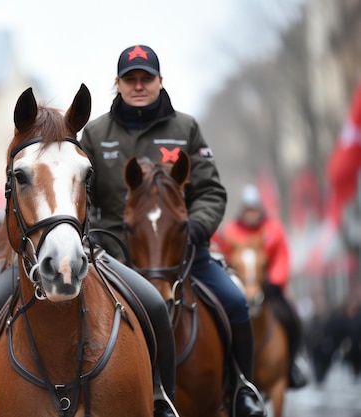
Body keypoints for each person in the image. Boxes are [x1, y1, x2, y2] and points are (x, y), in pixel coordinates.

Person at [79, 45, 266, 417]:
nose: (138, 86)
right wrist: (95, 235)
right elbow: (82, 196)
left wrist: (196, 227)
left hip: (181, 251)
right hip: (114, 258)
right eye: (129, 79)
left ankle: (244, 387)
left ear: (160, 81)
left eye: (146, 78)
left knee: (235, 300)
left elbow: (210, 190)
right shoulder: (96, 134)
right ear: (117, 84)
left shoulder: (186, 128)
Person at [0, 110, 178, 416]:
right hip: (36, 252)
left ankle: (164, 401)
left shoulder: (80, 151)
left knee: (155, 305)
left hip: (90, 247)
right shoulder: (82, 141)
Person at [213, 184, 308, 389]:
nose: (251, 214)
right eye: (247, 210)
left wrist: (275, 281)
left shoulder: (273, 229)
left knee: (291, 316)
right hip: (239, 291)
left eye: (254, 209)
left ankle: (292, 363)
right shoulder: (230, 232)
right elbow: (223, 258)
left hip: (269, 291)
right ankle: (225, 370)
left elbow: (282, 256)